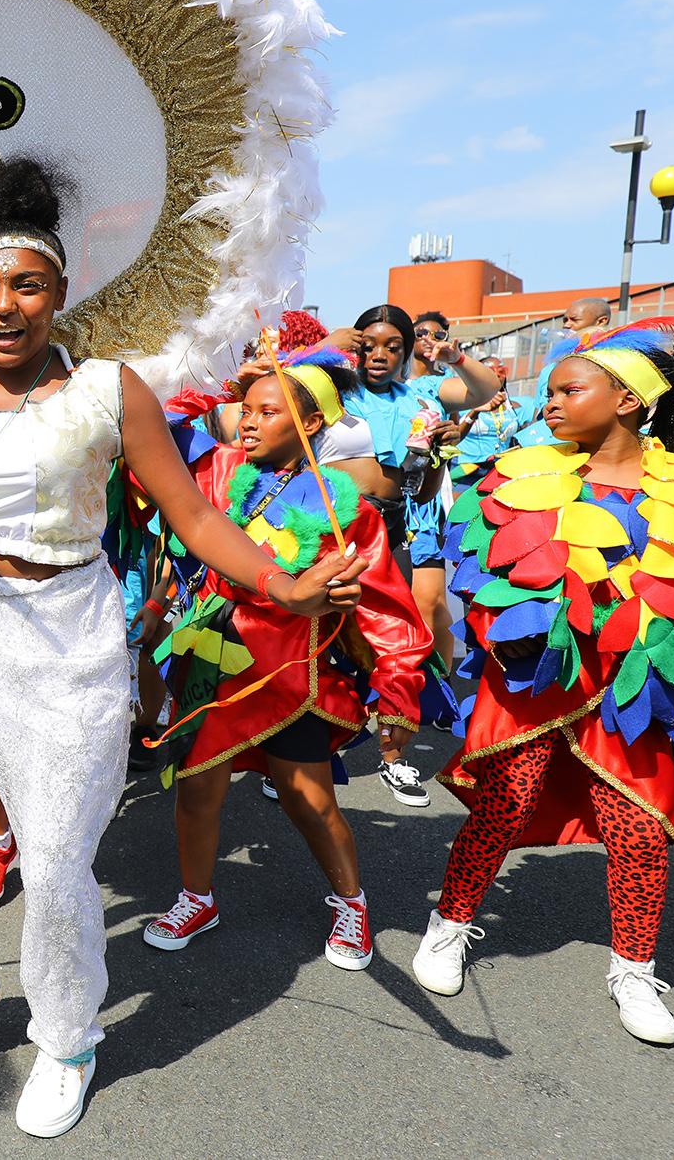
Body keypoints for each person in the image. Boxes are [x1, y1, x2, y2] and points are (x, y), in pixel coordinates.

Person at [0, 160, 365, 1137]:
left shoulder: (108, 393)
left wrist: (283, 583)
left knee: (53, 862)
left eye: (25, 285)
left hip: (66, 634)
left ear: (59, 291)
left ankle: (66, 1037)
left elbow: (196, 519)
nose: (4, 306)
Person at [415, 320, 674, 1046]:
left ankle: (633, 967)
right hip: (538, 684)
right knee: (505, 806)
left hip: (638, 686)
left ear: (627, 400)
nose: (552, 403)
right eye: (551, 391)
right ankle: (451, 924)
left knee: (640, 830)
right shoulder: (517, 471)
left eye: (570, 389)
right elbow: (478, 572)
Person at [143, 351, 428, 970]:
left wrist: (399, 693)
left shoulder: (342, 507)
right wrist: (215, 381)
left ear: (312, 424)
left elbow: (387, 608)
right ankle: (198, 896)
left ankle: (351, 902)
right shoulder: (216, 472)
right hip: (211, 662)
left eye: (267, 412)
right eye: (244, 410)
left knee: (308, 799)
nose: (246, 421)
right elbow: (154, 433)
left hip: (290, 676)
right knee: (195, 794)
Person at [337, 304, 498, 801]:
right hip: (337, 527)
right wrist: (346, 338)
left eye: (393, 347)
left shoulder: (423, 395)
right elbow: (302, 362)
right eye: (370, 345)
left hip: (406, 522)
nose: (380, 355)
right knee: (330, 634)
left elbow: (484, 390)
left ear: (408, 354)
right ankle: (317, 748)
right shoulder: (336, 389)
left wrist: (454, 356)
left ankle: (393, 753)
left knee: (407, 632)